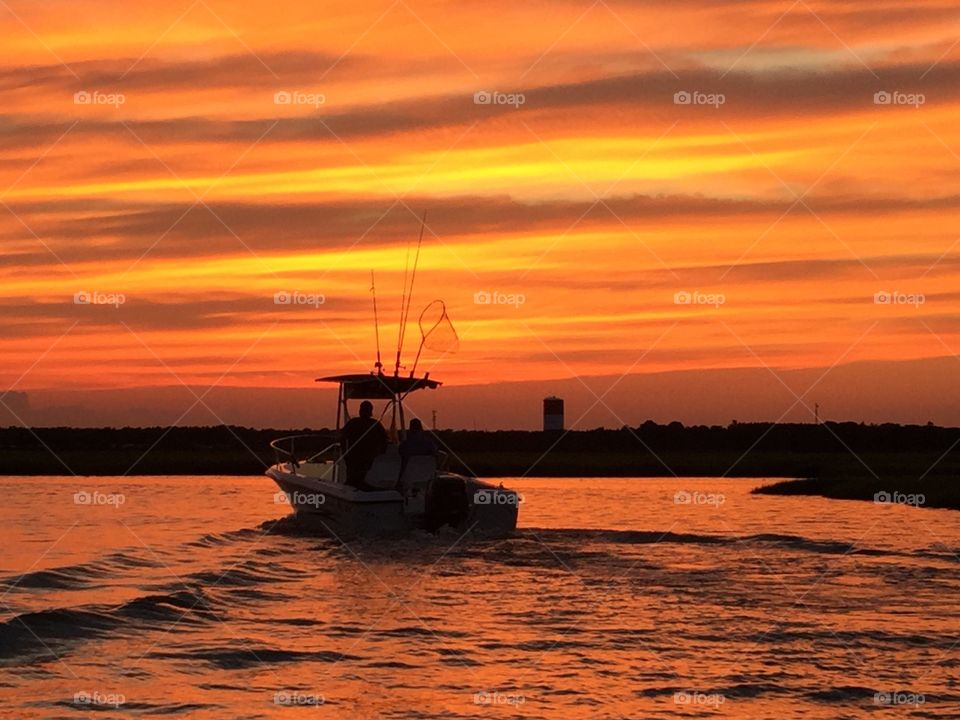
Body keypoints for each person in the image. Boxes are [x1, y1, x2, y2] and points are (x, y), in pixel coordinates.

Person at [340, 400, 388, 490]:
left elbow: (342, 438)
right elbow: (385, 441)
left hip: (358, 460)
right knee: (355, 480)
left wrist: (345, 454)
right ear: (370, 411)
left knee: (353, 481)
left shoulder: (353, 423)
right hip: (361, 460)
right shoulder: (375, 424)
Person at [398, 418, 436, 490]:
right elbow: (434, 455)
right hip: (427, 476)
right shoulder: (429, 443)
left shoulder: (405, 444)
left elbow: (400, 457)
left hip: (408, 476)